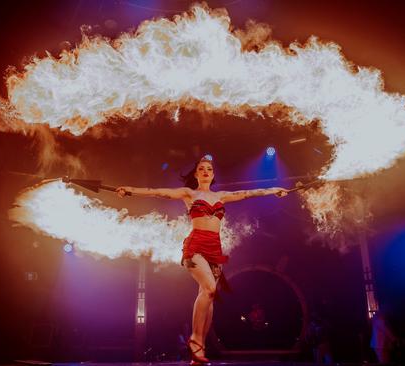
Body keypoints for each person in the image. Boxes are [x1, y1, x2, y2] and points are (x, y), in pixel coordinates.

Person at [117, 155, 289, 365]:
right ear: (197, 174)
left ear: (213, 174)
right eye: (201, 169)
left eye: (209, 169)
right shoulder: (189, 194)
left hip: (214, 249)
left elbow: (247, 193)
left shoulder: (221, 196)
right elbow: (158, 192)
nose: (206, 171)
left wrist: (274, 190)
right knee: (209, 289)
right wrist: (130, 189)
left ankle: (199, 352)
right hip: (195, 246)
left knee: (208, 299)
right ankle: (195, 340)